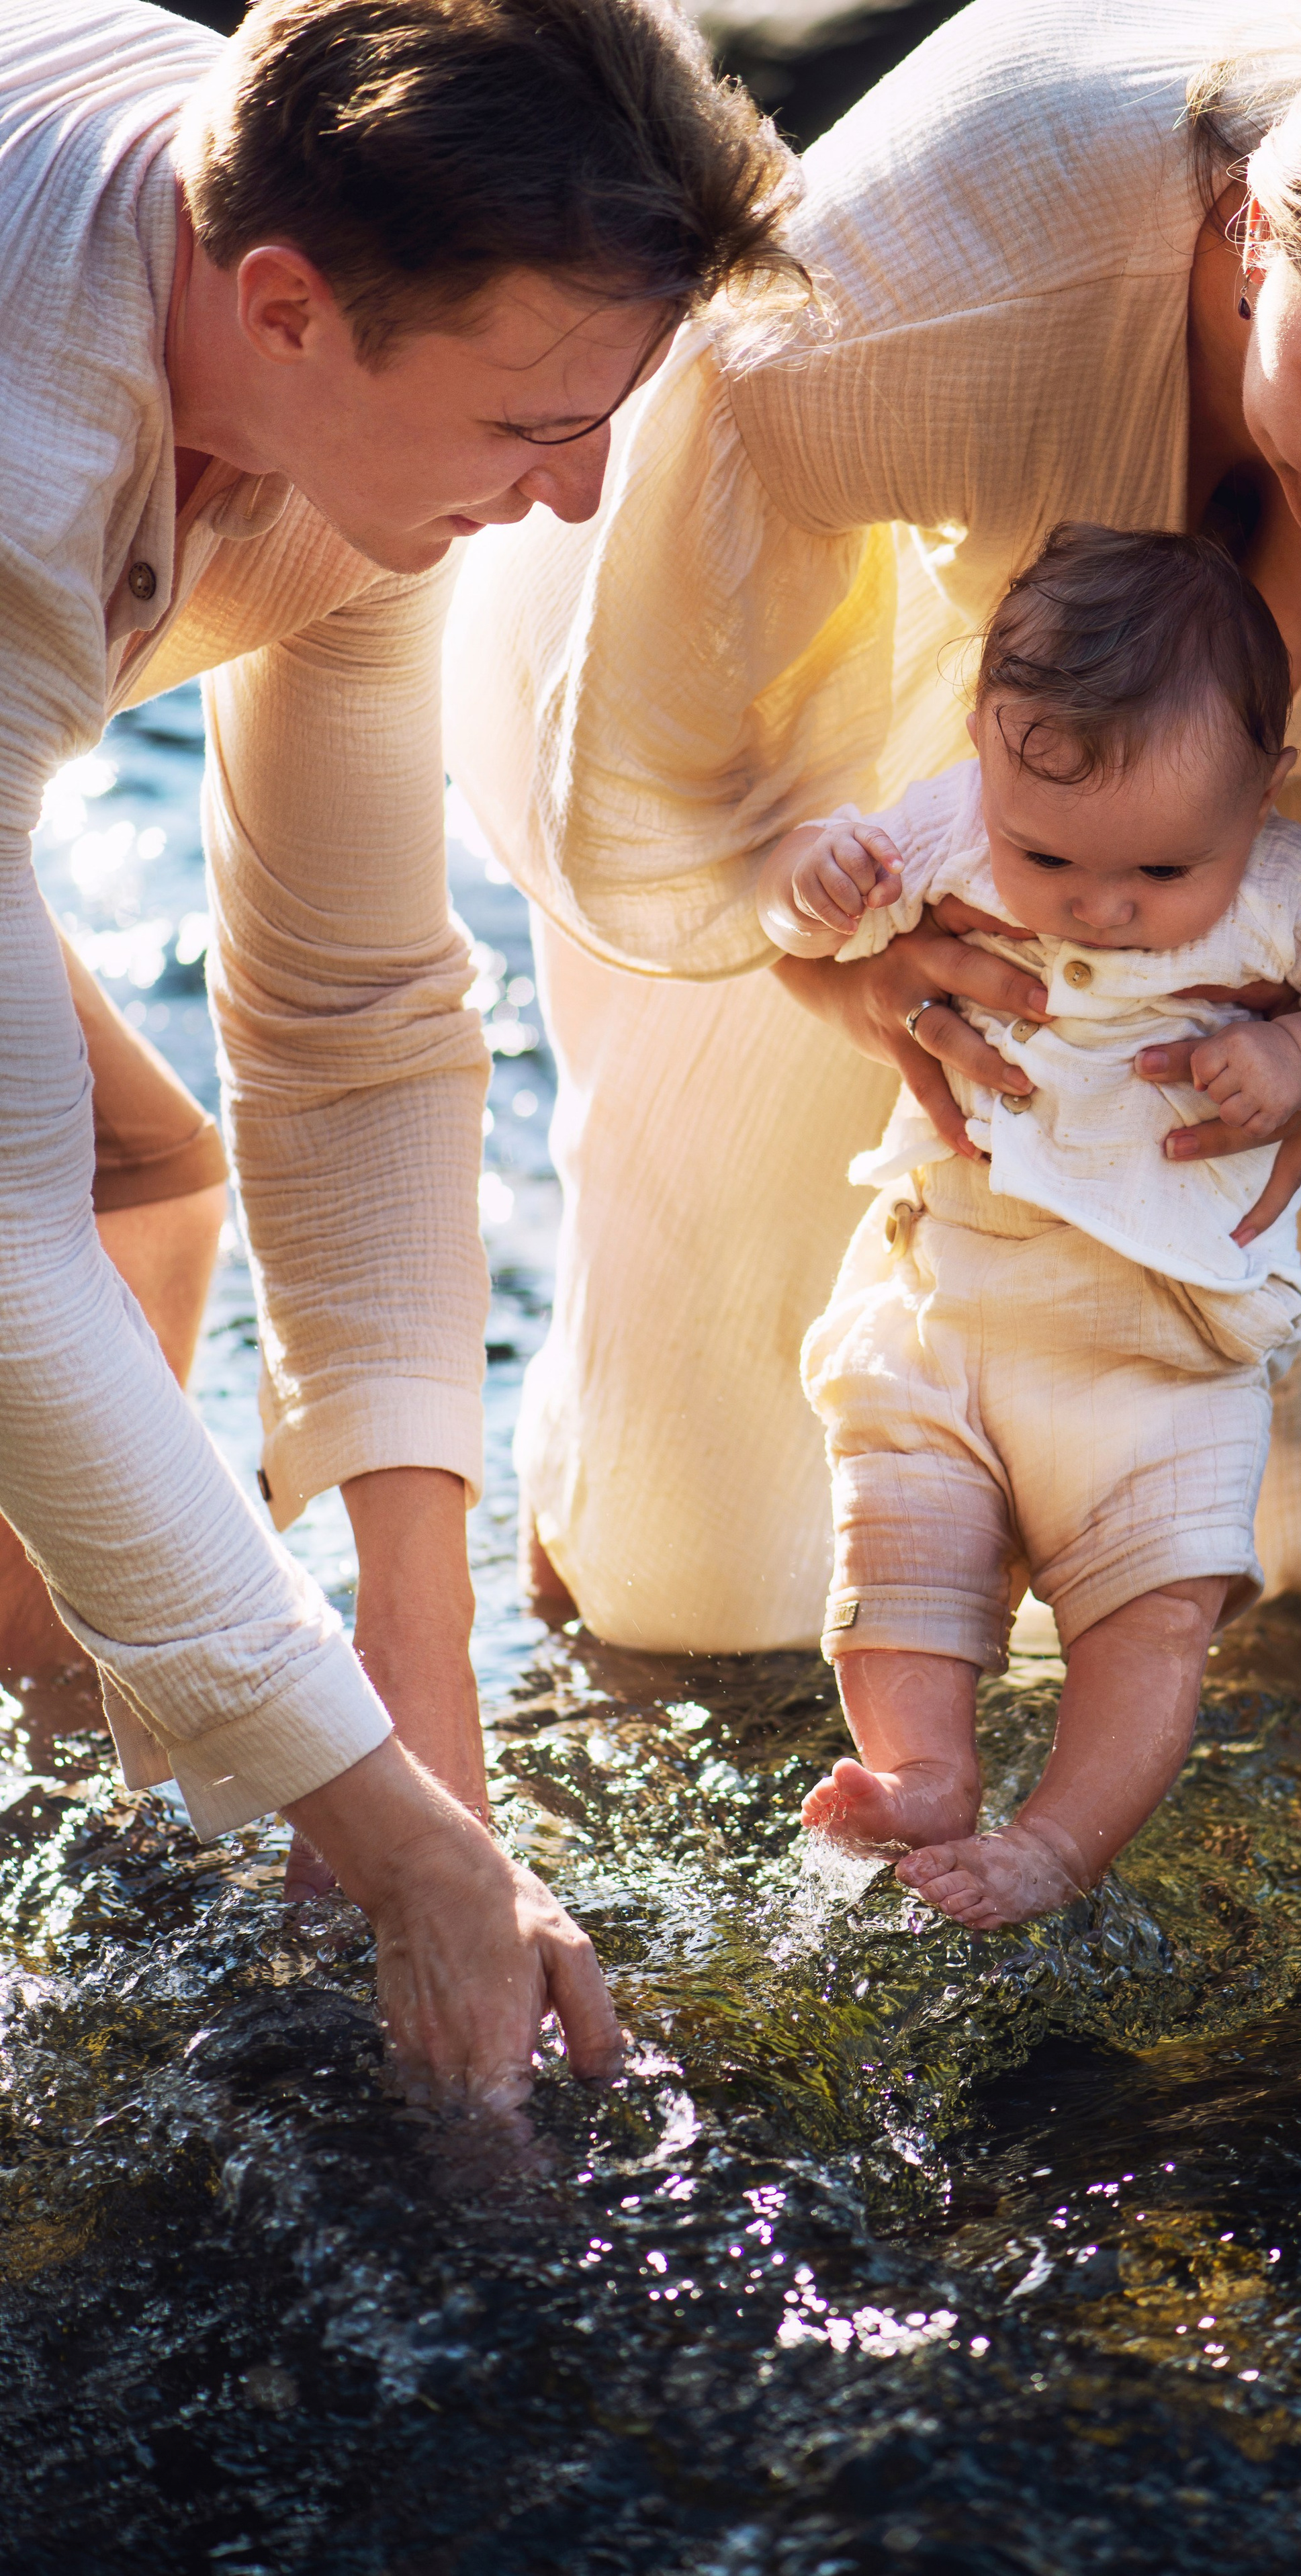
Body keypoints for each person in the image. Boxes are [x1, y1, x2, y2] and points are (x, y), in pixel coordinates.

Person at [445, 0, 1301, 1659]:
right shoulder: (947, 261)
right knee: (713, 1533)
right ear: (1253, 230)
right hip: (951, 763)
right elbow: (640, 698)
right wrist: (834, 960)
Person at [0, 0, 796, 2098]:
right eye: (539, 424)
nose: (583, 492)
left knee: (131, 1177)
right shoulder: (24, 454)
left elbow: (350, 1017)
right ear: (282, 312)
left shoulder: (336, 343)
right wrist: (414, 1857)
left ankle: (93, 1790)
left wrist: (414, 1689)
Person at [759, 525, 1301, 1925]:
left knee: (1152, 1622)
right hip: (946, 1297)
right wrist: (812, 874)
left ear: (1263, 790)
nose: (1099, 904)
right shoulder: (953, 821)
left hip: (1164, 1354)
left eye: (1156, 874)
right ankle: (920, 1773)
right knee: (896, 1540)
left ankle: (1057, 1842)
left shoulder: (1285, 892)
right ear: (982, 744)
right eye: (1049, 856)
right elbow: (799, 925)